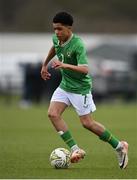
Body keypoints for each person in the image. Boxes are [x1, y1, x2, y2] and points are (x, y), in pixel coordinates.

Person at [41, 12, 128, 169]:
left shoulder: (78, 44)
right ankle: (75, 150)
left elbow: (85, 69)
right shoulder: (57, 38)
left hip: (80, 89)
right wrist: (44, 64)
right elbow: (54, 48)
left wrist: (65, 65)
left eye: (59, 29)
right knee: (52, 114)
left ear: (69, 28)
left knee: (87, 123)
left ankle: (119, 146)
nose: (56, 32)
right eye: (54, 29)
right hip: (65, 85)